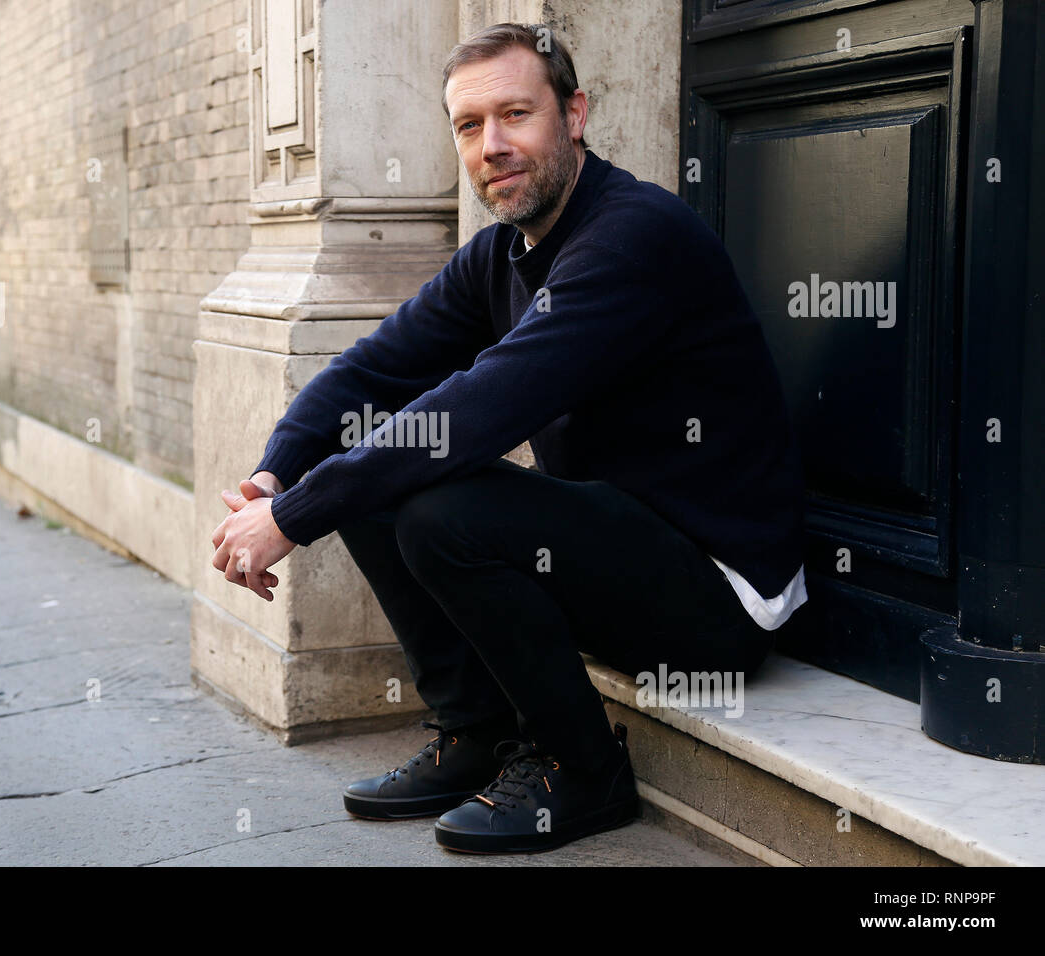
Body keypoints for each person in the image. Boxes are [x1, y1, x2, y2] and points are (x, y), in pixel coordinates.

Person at [209, 22, 808, 854]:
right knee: (371, 468)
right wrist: (274, 481)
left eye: (516, 114)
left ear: (574, 115)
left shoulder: (634, 236)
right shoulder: (500, 254)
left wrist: (291, 520)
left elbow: (484, 405)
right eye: (468, 125)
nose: (492, 145)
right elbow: (366, 373)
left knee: (431, 504)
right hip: (613, 552)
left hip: (717, 593)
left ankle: (584, 772)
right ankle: (478, 734)